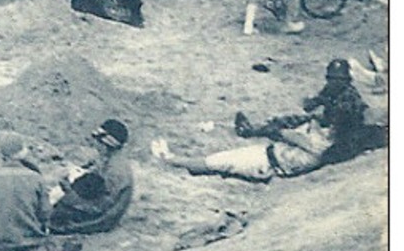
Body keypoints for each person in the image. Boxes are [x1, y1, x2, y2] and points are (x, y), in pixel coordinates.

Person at [151, 59, 379, 181]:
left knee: (218, 161)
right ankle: (181, 160)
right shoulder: (335, 127)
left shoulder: (321, 144)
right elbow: (310, 111)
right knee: (220, 159)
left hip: (266, 164)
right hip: (271, 153)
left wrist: (260, 130)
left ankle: (169, 159)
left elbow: (283, 132)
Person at [47, 119, 135, 236]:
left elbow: (100, 207)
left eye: (97, 142)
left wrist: (69, 195)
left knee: (51, 215)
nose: (94, 145)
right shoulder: (109, 158)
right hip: (95, 203)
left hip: (101, 218)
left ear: (105, 145)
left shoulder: (116, 171)